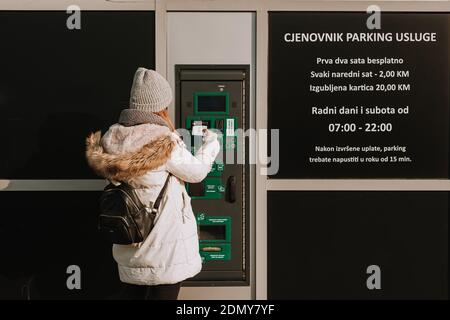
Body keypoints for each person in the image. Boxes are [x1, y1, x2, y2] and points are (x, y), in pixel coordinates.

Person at [85, 67, 220, 300]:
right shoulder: (162, 141)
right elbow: (196, 172)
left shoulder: (112, 139)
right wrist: (212, 143)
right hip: (163, 248)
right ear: (160, 106)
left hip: (130, 243)